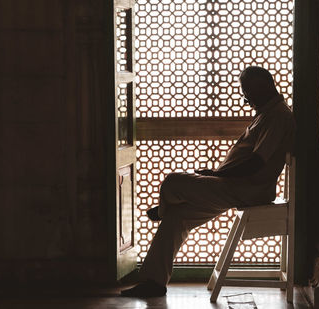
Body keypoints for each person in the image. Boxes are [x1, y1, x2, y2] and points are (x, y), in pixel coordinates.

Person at [121, 66, 295, 297]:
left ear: (262, 87)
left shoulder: (277, 116)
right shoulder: (268, 113)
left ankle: (162, 210)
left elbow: (256, 163)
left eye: (247, 93)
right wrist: (215, 175)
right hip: (233, 187)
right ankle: (154, 282)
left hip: (246, 189)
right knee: (177, 217)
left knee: (172, 182)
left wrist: (215, 175)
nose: (246, 99)